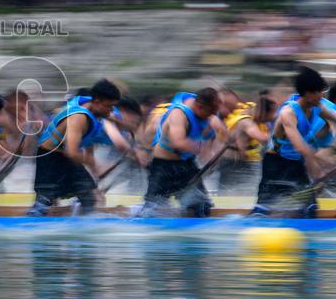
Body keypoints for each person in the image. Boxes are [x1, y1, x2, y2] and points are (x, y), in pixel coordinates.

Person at [249, 67, 336, 218]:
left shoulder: (317, 107)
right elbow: (301, 147)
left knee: (309, 209)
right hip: (275, 164)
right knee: (263, 211)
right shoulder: (288, 113)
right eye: (319, 92)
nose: (323, 96)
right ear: (308, 94)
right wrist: (318, 168)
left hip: (296, 164)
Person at [27, 80, 122, 216]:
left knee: (87, 194)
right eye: (109, 106)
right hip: (49, 158)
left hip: (62, 157)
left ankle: (87, 226)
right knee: (44, 200)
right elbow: (72, 152)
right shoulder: (79, 117)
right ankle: (29, 226)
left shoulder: (90, 108)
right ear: (97, 102)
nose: (111, 110)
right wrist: (95, 164)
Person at [141, 87, 223, 217]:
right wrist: (203, 151)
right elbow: (178, 142)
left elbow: (219, 133)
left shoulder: (208, 112)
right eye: (211, 112)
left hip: (187, 166)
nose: (212, 116)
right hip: (163, 167)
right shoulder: (178, 114)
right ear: (200, 106)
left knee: (201, 208)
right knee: (152, 211)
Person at [218, 93, 275, 195]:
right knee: (230, 196)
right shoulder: (246, 122)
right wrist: (280, 131)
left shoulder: (250, 108)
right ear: (263, 113)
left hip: (236, 162)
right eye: (269, 117)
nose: (270, 120)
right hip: (232, 165)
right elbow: (263, 138)